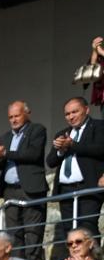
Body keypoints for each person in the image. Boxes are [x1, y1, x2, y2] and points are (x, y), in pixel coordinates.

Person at [0, 101, 50, 260]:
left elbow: (33, 154)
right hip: (10, 191)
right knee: (14, 236)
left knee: (33, 235)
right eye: (10, 117)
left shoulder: (37, 130)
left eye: (17, 115)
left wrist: (6, 153)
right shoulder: (5, 137)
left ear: (27, 113)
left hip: (31, 189)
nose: (13, 120)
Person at [47, 95, 104, 250]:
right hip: (66, 190)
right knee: (70, 231)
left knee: (87, 227)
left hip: (88, 186)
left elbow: (99, 149)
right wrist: (60, 150)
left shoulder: (98, 127)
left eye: (74, 112)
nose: (71, 117)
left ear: (86, 109)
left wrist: (72, 145)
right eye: (67, 114)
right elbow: (50, 161)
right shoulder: (63, 133)